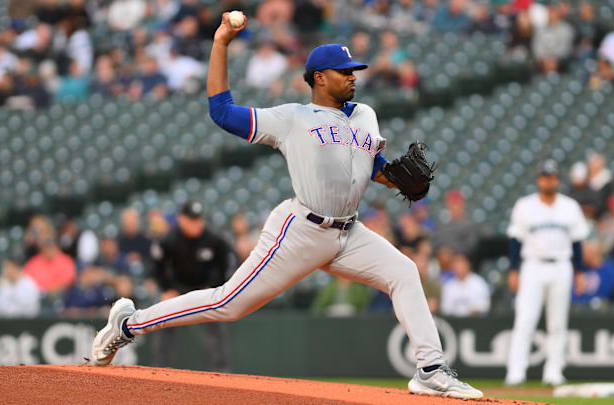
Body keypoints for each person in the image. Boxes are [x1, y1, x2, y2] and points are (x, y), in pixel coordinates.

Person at [91, 11, 482, 399]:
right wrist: (221, 43)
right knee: (228, 303)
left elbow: (371, 165)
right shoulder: (292, 118)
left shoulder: (366, 115)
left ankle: (430, 369)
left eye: (354, 70)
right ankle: (129, 324)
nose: (353, 76)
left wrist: (395, 178)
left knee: (404, 272)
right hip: (300, 231)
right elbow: (222, 112)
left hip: (349, 231)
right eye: (343, 70)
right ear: (318, 77)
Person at [505, 160, 589, 386]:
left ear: (557, 180)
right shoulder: (525, 205)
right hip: (532, 265)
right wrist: (514, 270)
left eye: (551, 177)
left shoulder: (570, 206)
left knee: (558, 323)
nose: (547, 180)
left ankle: (554, 371)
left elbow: (577, 243)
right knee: (525, 320)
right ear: (538, 179)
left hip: (562, 265)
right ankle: (516, 372)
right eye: (544, 176)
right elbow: (515, 240)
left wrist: (579, 272)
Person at [148, 200, 234, 370]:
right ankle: (159, 370)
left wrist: (216, 287)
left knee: (217, 324)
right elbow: (156, 268)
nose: (197, 224)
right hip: (178, 289)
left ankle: (223, 373)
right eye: (192, 220)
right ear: (181, 219)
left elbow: (227, 267)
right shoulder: (168, 240)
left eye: (199, 219)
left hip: (206, 289)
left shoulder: (215, 240)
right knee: (163, 319)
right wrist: (166, 289)